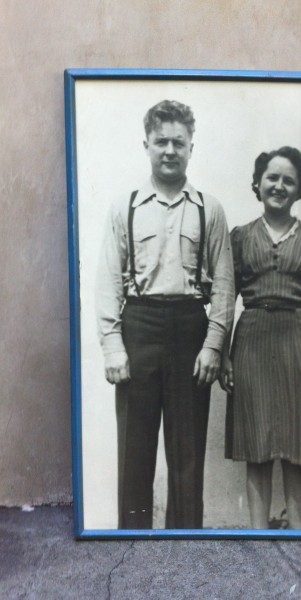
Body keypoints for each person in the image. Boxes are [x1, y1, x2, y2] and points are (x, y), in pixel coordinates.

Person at [96, 100, 234, 530]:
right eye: (161, 142)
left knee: (187, 455)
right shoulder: (127, 207)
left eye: (179, 142)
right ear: (147, 145)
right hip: (139, 326)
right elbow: (107, 283)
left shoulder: (208, 209)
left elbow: (225, 286)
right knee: (134, 453)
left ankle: (184, 556)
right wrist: (112, 346)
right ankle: (133, 552)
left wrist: (214, 345)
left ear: (192, 147)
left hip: (190, 330)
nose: (170, 150)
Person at [221, 146, 301, 530]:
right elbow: (225, 297)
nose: (279, 185)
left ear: (300, 189)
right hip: (252, 342)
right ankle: (259, 536)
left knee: (297, 445)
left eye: (289, 180)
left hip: (300, 345)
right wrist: (223, 355)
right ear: (258, 184)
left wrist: (299, 316)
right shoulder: (239, 238)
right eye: (272, 177)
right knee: (257, 445)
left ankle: (298, 535)